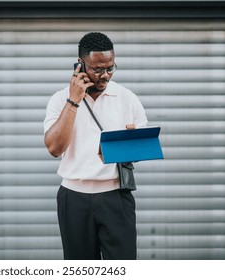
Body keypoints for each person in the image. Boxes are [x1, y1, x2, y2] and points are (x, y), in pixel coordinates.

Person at [43, 32, 148, 260]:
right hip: (73, 197)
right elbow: (54, 148)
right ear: (80, 64)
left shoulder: (126, 98)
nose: (105, 75)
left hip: (116, 197)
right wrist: (73, 100)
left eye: (110, 68)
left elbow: (140, 148)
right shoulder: (59, 99)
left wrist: (127, 145)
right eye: (97, 69)